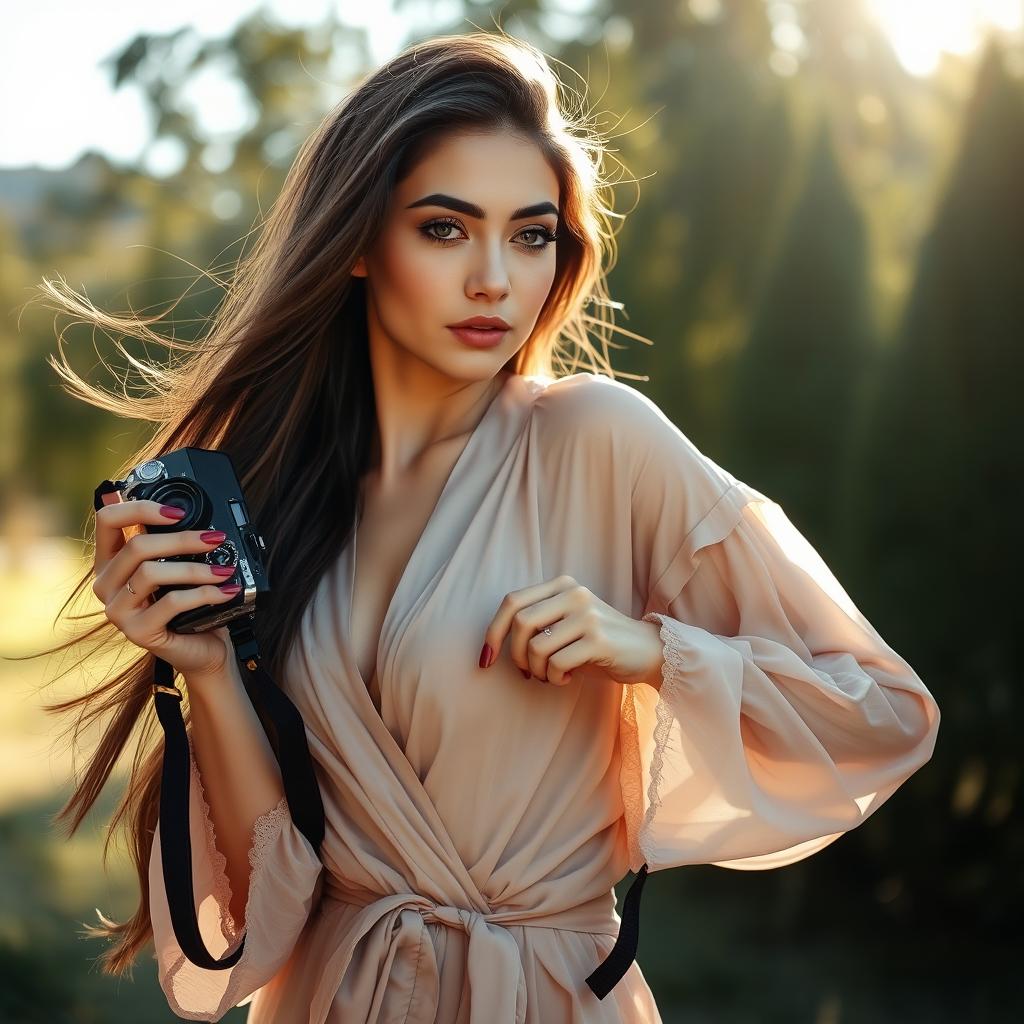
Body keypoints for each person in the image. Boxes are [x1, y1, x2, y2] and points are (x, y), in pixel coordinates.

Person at [39, 31, 939, 1024]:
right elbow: (265, 914)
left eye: (530, 233)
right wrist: (203, 667)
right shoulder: (281, 494)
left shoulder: (602, 440)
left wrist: (651, 650)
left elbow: (882, 711)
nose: (493, 281)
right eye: (444, 228)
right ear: (355, 243)